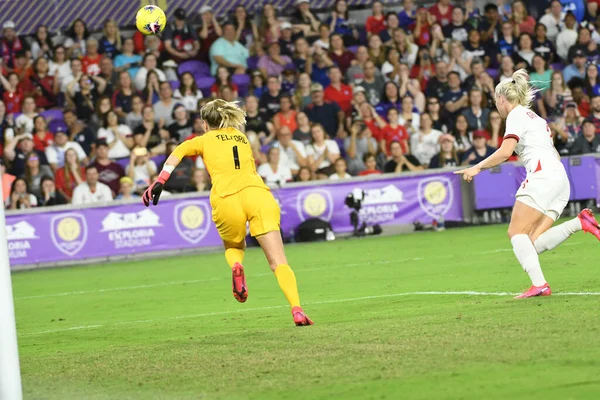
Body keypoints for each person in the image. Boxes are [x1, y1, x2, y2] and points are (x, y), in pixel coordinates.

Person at [142, 99, 313, 326]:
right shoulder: (241, 137)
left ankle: (236, 266)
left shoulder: (202, 140)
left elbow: (178, 152)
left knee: (233, 247)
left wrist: (161, 179)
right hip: (257, 195)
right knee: (279, 262)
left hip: (227, 199)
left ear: (205, 123)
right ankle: (297, 309)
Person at [454, 68, 600, 299]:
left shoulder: (515, 115)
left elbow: (505, 152)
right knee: (531, 243)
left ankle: (539, 285)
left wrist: (477, 167)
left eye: (495, 101)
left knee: (516, 232)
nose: (496, 106)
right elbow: (555, 154)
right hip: (560, 179)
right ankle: (580, 223)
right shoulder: (537, 119)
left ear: (502, 98)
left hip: (543, 176)